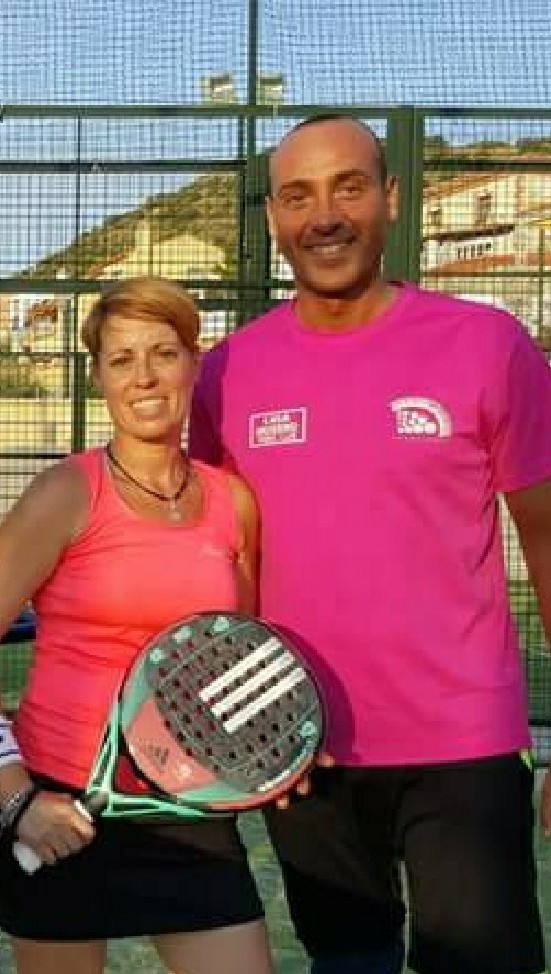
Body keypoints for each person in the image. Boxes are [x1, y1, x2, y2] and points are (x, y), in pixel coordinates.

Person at [189, 114, 551, 974]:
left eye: (347, 187)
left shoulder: (486, 345)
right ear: (273, 217)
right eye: (298, 196)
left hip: (463, 745)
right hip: (301, 747)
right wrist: (243, 728)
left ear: (390, 199)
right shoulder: (226, 373)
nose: (324, 216)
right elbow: (211, 560)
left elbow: (545, 537)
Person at [0, 276, 273, 974]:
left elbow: (238, 659)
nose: (144, 376)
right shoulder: (65, 492)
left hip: (190, 807)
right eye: (121, 359)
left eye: (164, 353)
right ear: (97, 377)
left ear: (193, 363)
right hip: (60, 811)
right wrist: (16, 797)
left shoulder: (232, 502)